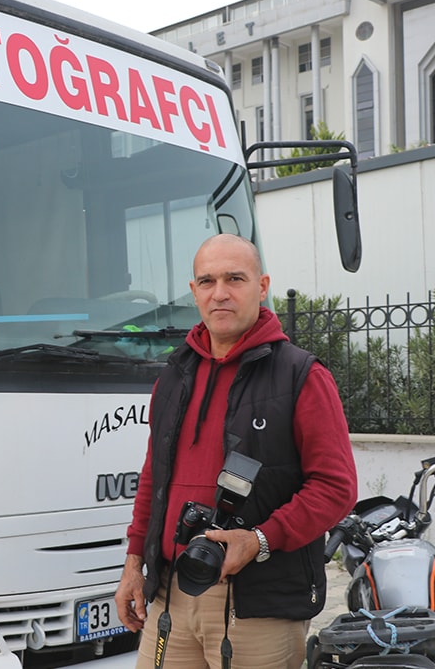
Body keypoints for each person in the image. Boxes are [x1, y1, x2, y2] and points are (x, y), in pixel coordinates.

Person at [113, 234, 357, 669]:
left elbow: (336, 488)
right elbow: (154, 477)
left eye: (234, 279)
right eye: (207, 281)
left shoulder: (301, 375)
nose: (220, 292)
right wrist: (134, 564)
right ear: (194, 292)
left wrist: (260, 540)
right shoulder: (172, 377)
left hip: (258, 605)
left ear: (262, 287)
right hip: (172, 592)